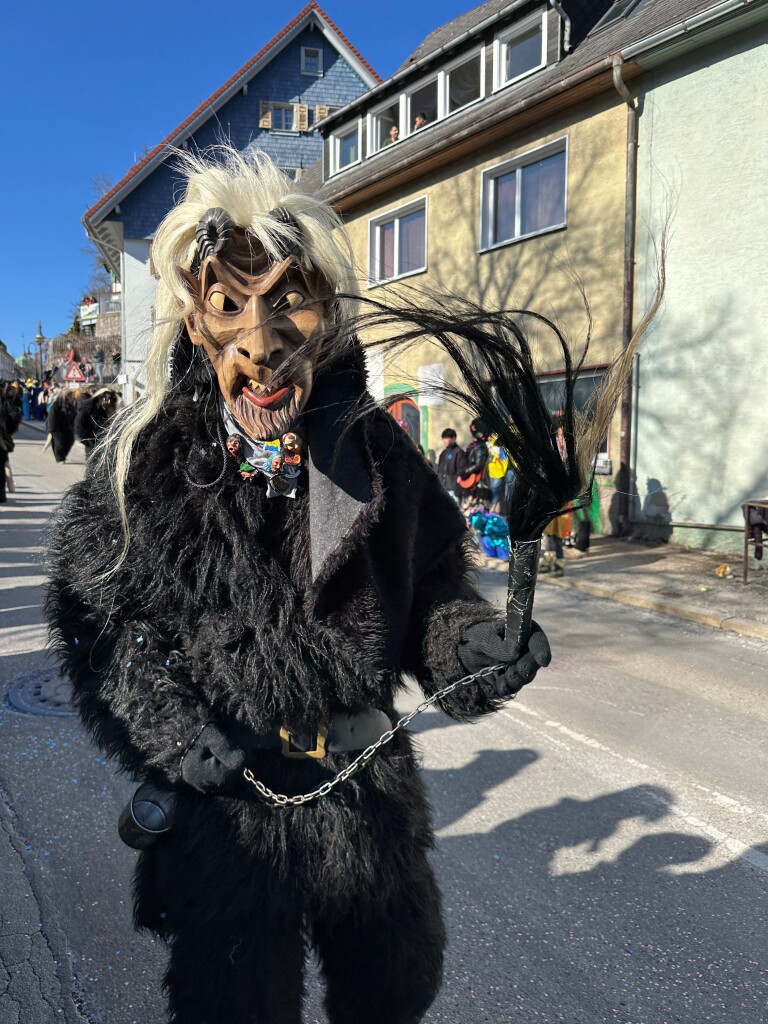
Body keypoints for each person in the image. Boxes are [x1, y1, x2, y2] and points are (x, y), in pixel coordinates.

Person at [46, 148, 551, 1024]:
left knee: (394, 987)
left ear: (328, 316)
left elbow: (430, 590)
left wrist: (470, 647)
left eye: (289, 299)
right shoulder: (144, 469)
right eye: (230, 303)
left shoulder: (380, 453)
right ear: (195, 322)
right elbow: (102, 623)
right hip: (232, 814)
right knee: (235, 1003)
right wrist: (168, 728)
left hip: (368, 793)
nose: (262, 337)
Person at [436, 427, 465, 502]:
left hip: (453, 489)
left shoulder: (459, 452)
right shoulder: (443, 453)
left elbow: (461, 469)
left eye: (447, 438)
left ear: (454, 438)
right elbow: (439, 470)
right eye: (444, 438)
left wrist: (457, 487)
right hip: (442, 488)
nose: (445, 441)